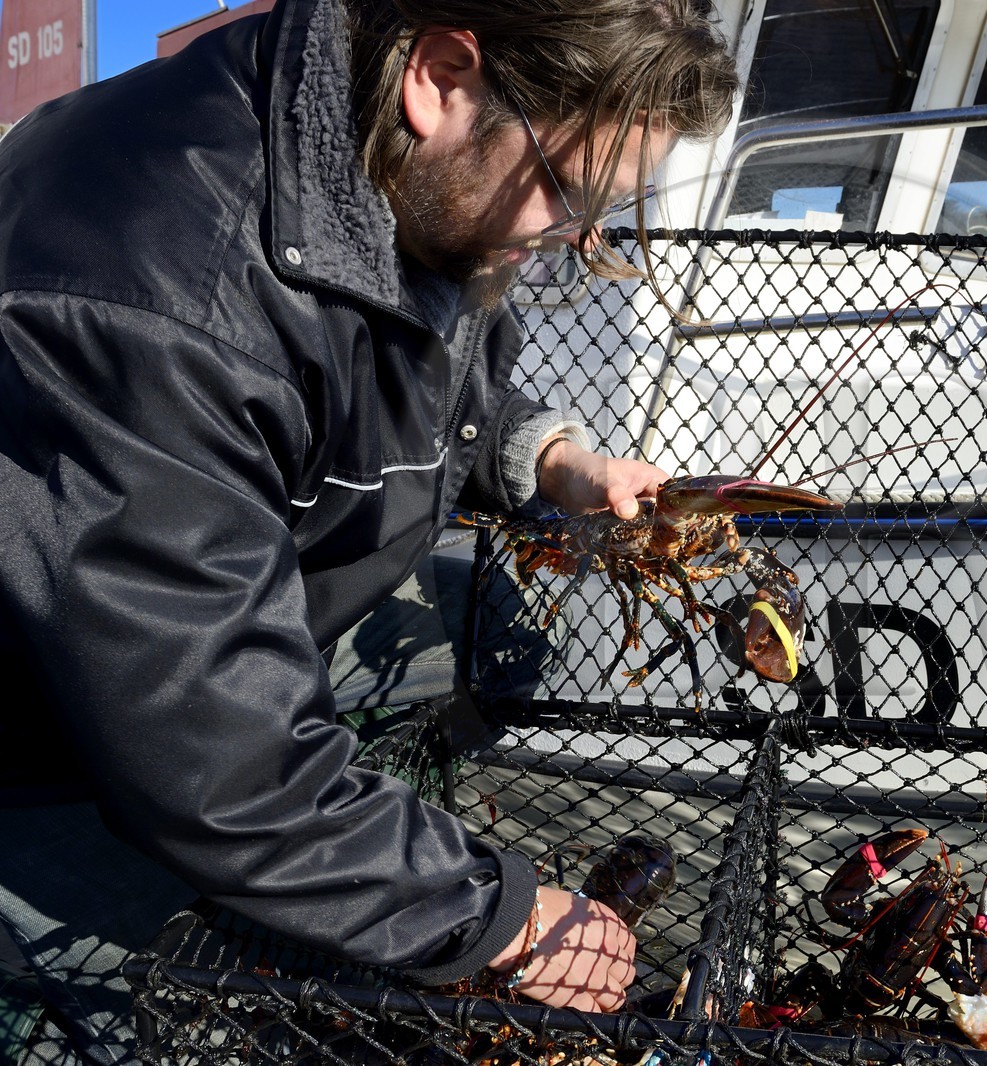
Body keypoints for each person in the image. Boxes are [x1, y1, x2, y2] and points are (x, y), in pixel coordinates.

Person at [0, 0, 739, 1060]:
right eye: (574, 194)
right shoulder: (150, 291)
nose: (577, 236)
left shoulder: (415, 178)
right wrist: (503, 916)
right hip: (48, 743)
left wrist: (545, 457)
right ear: (442, 76)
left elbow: (410, 383)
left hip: (204, 677)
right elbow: (218, 757)